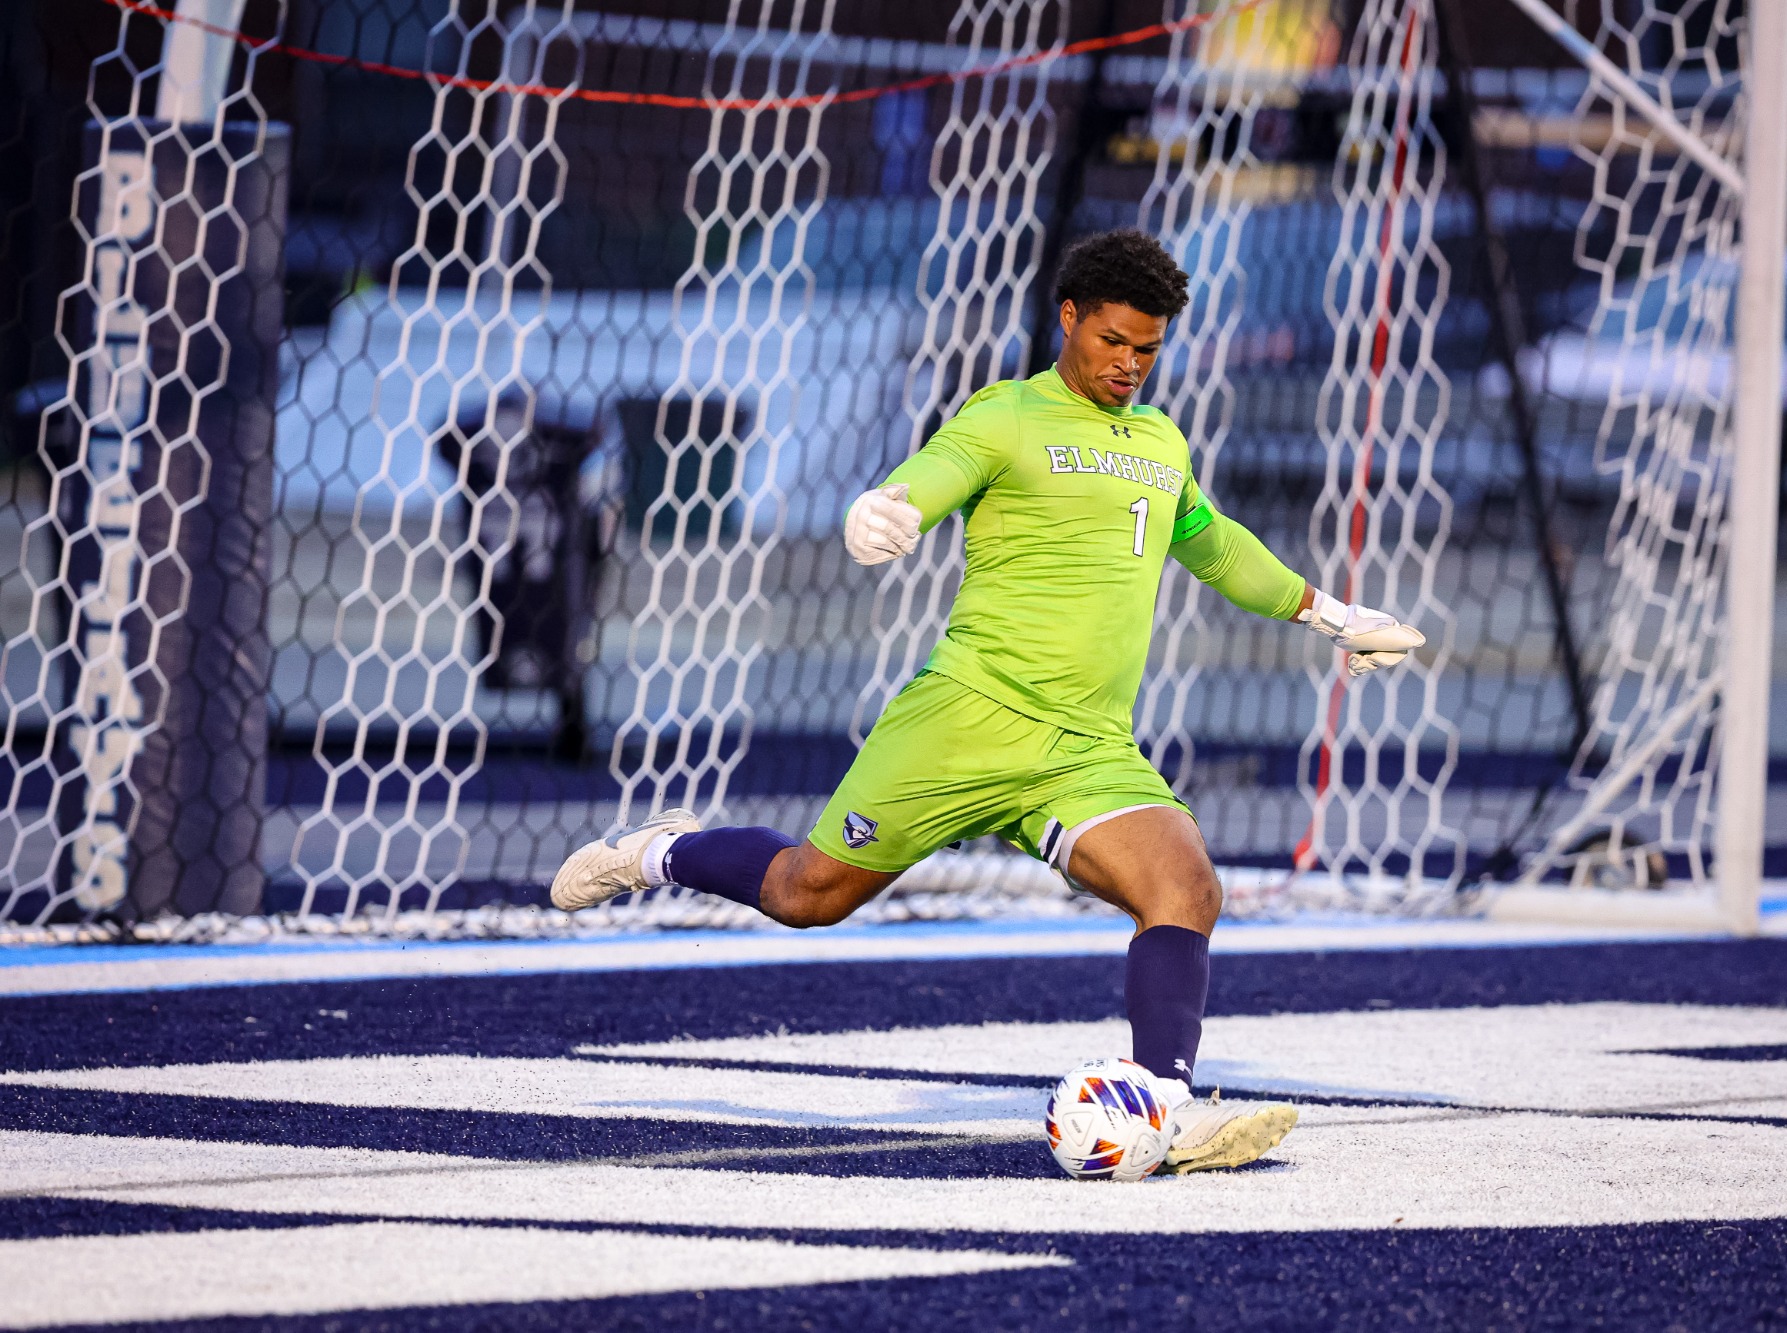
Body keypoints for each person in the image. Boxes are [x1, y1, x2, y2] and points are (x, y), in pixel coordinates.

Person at [551, 228, 1424, 1173]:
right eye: (1113, 341)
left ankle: (1164, 1102)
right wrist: (888, 507)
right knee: (807, 895)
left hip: (1084, 745)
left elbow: (1217, 547)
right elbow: (936, 473)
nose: (1130, 363)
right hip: (963, 720)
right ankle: (655, 851)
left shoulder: (1162, 443)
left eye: (1148, 348)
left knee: (1186, 885)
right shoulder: (1005, 414)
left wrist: (1333, 615)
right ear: (1069, 318)